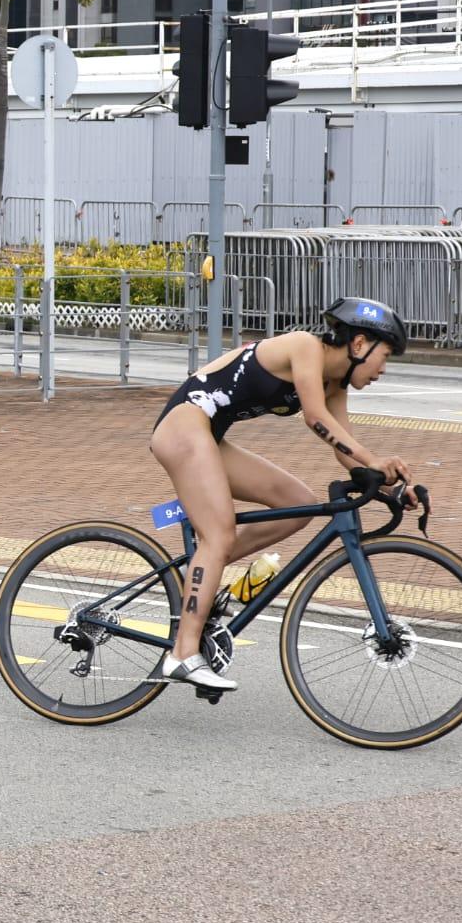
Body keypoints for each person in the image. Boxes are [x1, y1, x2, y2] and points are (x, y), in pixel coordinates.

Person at [148, 296, 417, 691]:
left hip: (206, 435)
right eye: (386, 355)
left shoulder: (334, 383)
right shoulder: (304, 347)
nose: (383, 368)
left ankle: (200, 574)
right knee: (218, 535)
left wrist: (390, 486)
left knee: (298, 505)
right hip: (183, 428)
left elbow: (345, 449)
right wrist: (372, 459)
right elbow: (315, 418)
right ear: (359, 345)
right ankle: (182, 655)